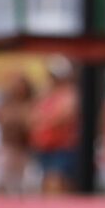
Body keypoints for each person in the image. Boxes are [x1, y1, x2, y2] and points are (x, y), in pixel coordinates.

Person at [30, 62, 80, 193]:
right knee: (48, 180)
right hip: (45, 146)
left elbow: (65, 115)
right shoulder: (46, 93)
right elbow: (33, 116)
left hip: (62, 147)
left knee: (58, 180)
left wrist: (44, 122)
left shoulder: (69, 93)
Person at [0, 71, 38, 198]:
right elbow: (0, 118)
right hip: (8, 147)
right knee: (3, 181)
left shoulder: (31, 104)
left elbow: (31, 123)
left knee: (25, 185)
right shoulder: (6, 103)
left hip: (25, 148)